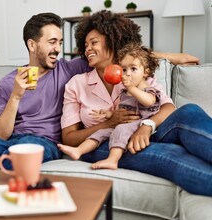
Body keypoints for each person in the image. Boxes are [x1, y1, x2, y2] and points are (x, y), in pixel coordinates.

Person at [0, 12, 201, 171]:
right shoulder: (8, 83)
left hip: (43, 143)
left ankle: (11, 176)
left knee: (26, 152)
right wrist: (16, 96)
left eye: (61, 42)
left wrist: (170, 56)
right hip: (11, 141)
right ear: (33, 45)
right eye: (52, 42)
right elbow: (0, 133)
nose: (58, 48)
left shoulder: (67, 70)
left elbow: (114, 54)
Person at [60, 10, 212, 196]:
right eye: (85, 45)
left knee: (189, 111)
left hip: (150, 131)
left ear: (113, 41)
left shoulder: (134, 72)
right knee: (169, 154)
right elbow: (68, 137)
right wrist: (108, 123)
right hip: (108, 144)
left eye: (94, 43)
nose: (87, 49)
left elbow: (168, 107)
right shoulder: (77, 83)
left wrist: (146, 127)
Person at [58, 42, 163, 170]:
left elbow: (150, 102)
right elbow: (121, 111)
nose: (127, 73)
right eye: (124, 69)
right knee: (100, 133)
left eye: (133, 69)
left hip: (138, 125)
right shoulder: (124, 90)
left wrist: (131, 88)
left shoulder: (146, 88)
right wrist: (107, 115)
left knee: (120, 131)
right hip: (121, 127)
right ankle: (78, 151)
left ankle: (112, 160)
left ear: (146, 72)